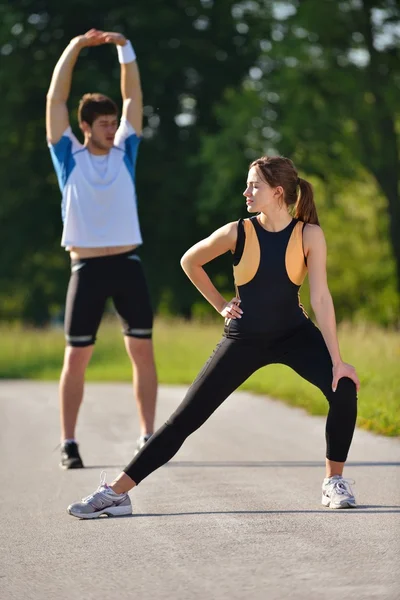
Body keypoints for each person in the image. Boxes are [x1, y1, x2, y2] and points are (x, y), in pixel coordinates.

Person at [67, 155, 360, 517]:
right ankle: (116, 493)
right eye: (248, 184)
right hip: (243, 339)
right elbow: (190, 261)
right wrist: (221, 305)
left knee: (343, 389)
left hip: (293, 334)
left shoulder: (309, 234)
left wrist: (337, 361)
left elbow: (320, 298)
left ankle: (334, 481)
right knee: (184, 420)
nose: (246, 191)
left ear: (278, 192)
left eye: (255, 185)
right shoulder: (237, 231)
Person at [46, 29, 157, 469]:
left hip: (128, 264)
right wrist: (74, 47)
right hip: (86, 269)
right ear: (85, 127)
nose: (113, 129)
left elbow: (133, 97)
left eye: (115, 123)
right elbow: (55, 100)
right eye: (105, 124)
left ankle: (149, 434)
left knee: (143, 352)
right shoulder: (68, 156)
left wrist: (123, 48)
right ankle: (69, 442)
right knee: (76, 358)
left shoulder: (125, 152)